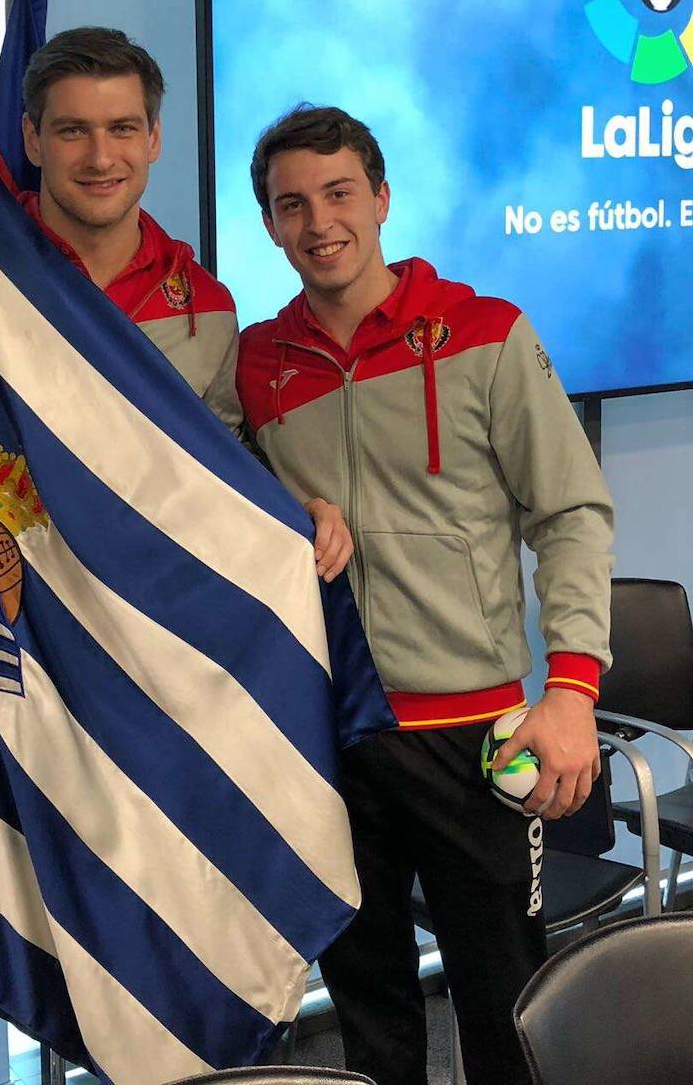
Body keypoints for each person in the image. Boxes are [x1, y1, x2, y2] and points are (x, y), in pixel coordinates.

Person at [0, 34, 352, 1085]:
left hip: (126, 688)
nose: (98, 153)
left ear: (155, 139)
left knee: (148, 941)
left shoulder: (204, 308)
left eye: (122, 127)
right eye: (70, 128)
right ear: (28, 139)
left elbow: (214, 477)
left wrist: (286, 507)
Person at [235, 105, 614, 1085]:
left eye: (338, 194)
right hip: (333, 736)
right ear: (269, 224)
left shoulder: (484, 334)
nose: (318, 222)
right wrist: (286, 502)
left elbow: (569, 512)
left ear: (381, 200)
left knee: (506, 1014)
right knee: (370, 1020)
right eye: (290, 204)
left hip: (474, 739)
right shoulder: (258, 365)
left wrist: (570, 690)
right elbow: (218, 492)